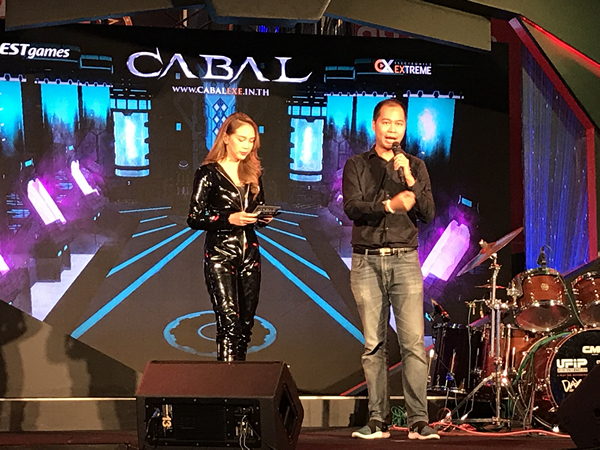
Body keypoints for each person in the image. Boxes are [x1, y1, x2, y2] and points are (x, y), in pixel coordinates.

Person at [342, 99, 438, 440]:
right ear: (375, 125)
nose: (392, 129)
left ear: (404, 128)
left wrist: (409, 178)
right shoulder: (356, 164)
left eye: (399, 124)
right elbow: (352, 208)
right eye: (386, 122)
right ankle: (377, 419)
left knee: (413, 343)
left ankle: (418, 421)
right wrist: (388, 205)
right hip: (366, 259)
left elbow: (427, 213)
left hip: (405, 259)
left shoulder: (416, 166)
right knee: (374, 345)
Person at [187, 112, 273, 362]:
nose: (246, 146)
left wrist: (262, 217)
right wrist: (228, 219)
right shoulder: (208, 173)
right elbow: (194, 217)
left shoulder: (253, 172)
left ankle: (239, 378)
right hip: (220, 253)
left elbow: (257, 207)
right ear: (226, 138)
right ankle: (227, 382)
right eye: (241, 139)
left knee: (246, 324)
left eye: (251, 141)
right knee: (228, 323)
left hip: (250, 253)